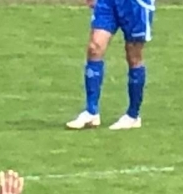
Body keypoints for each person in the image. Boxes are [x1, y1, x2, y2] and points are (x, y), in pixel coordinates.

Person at [66, 0, 155, 131]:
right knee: (94, 48)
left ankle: (133, 115)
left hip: (135, 5)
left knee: (133, 55)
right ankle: (91, 111)